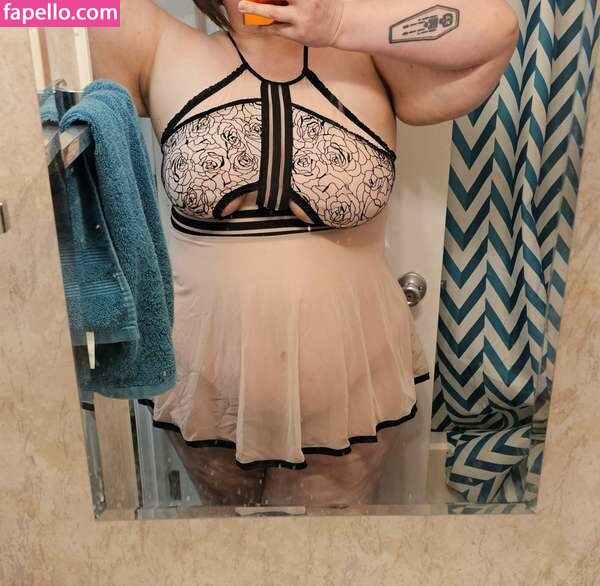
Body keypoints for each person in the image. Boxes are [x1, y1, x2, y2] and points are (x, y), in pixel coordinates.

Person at [90, 0, 518, 507]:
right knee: (223, 545)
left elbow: (497, 26)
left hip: (352, 383)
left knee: (326, 550)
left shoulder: (375, 60)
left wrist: (336, 23)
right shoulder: (161, 45)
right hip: (204, 385)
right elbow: (28, 10)